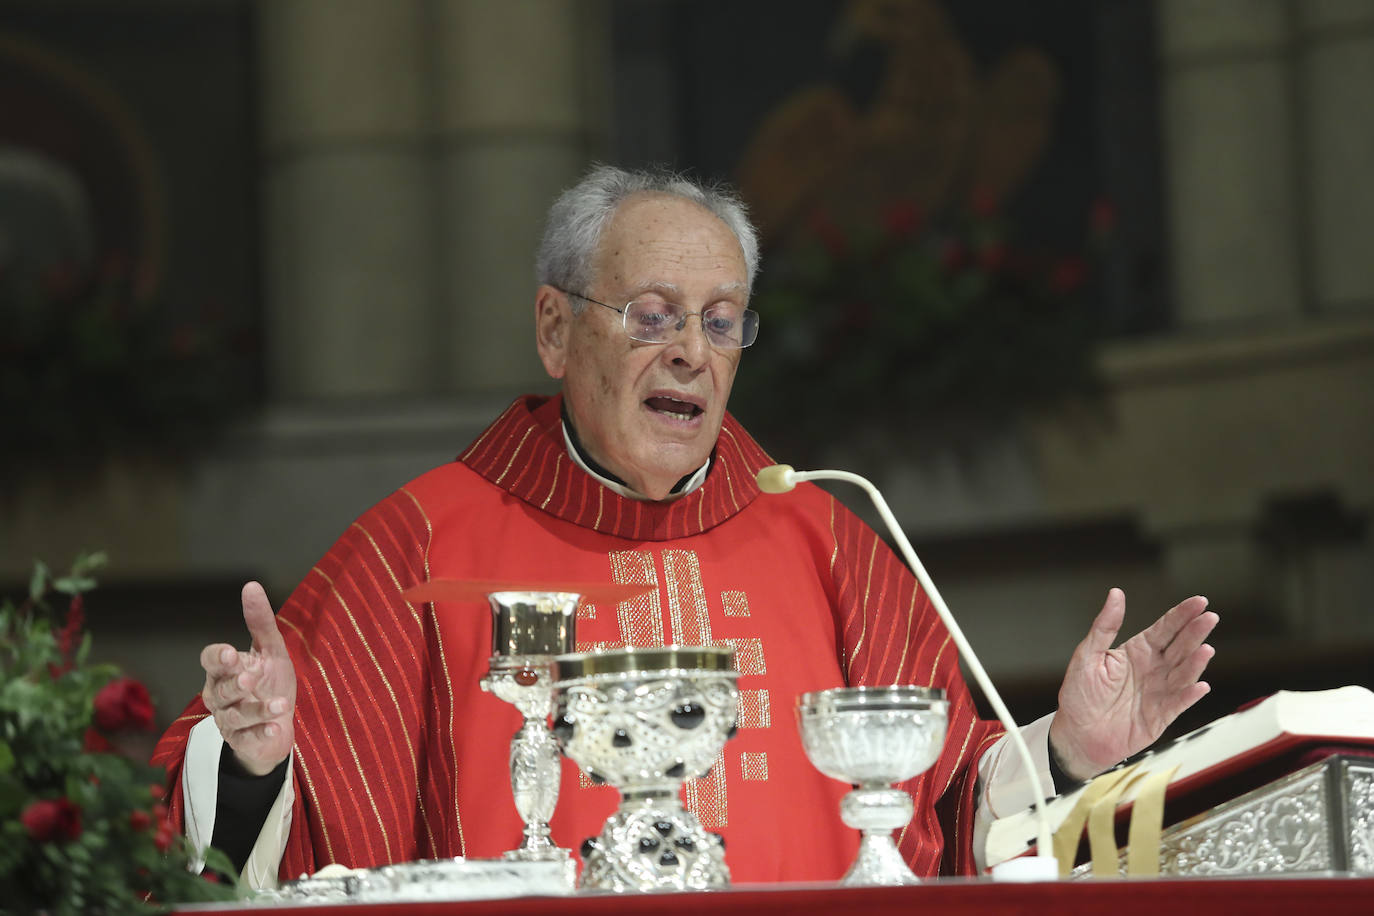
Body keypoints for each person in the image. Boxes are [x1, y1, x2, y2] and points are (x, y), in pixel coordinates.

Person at [152, 165, 1218, 888]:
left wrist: (1072, 750)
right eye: (653, 315)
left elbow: (937, 802)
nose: (691, 354)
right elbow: (267, 834)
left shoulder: (820, 534)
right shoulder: (422, 544)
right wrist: (253, 762)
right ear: (556, 329)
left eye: (720, 322)